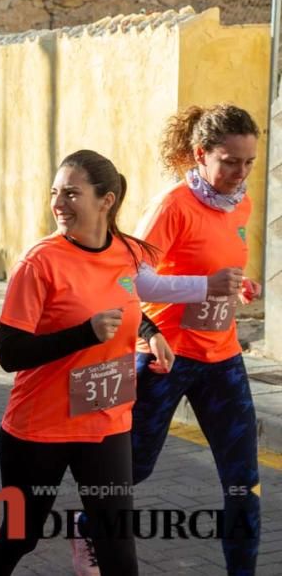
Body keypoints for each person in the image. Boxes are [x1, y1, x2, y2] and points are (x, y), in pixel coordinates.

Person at [0, 149, 186, 576]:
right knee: (20, 536)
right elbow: (10, 353)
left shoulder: (127, 253)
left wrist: (151, 333)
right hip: (40, 428)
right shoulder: (39, 263)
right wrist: (84, 335)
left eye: (72, 193)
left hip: (105, 421)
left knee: (117, 548)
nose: (59, 203)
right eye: (55, 193)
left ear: (105, 201)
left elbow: (123, 302)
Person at [128, 104, 263, 576]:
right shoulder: (172, 205)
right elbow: (134, 282)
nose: (239, 173)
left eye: (248, 162)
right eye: (229, 162)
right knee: (131, 470)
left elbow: (219, 264)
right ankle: (90, 523)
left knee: (243, 483)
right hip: (167, 356)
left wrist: (240, 287)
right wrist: (205, 287)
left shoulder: (240, 202)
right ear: (201, 154)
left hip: (223, 357)